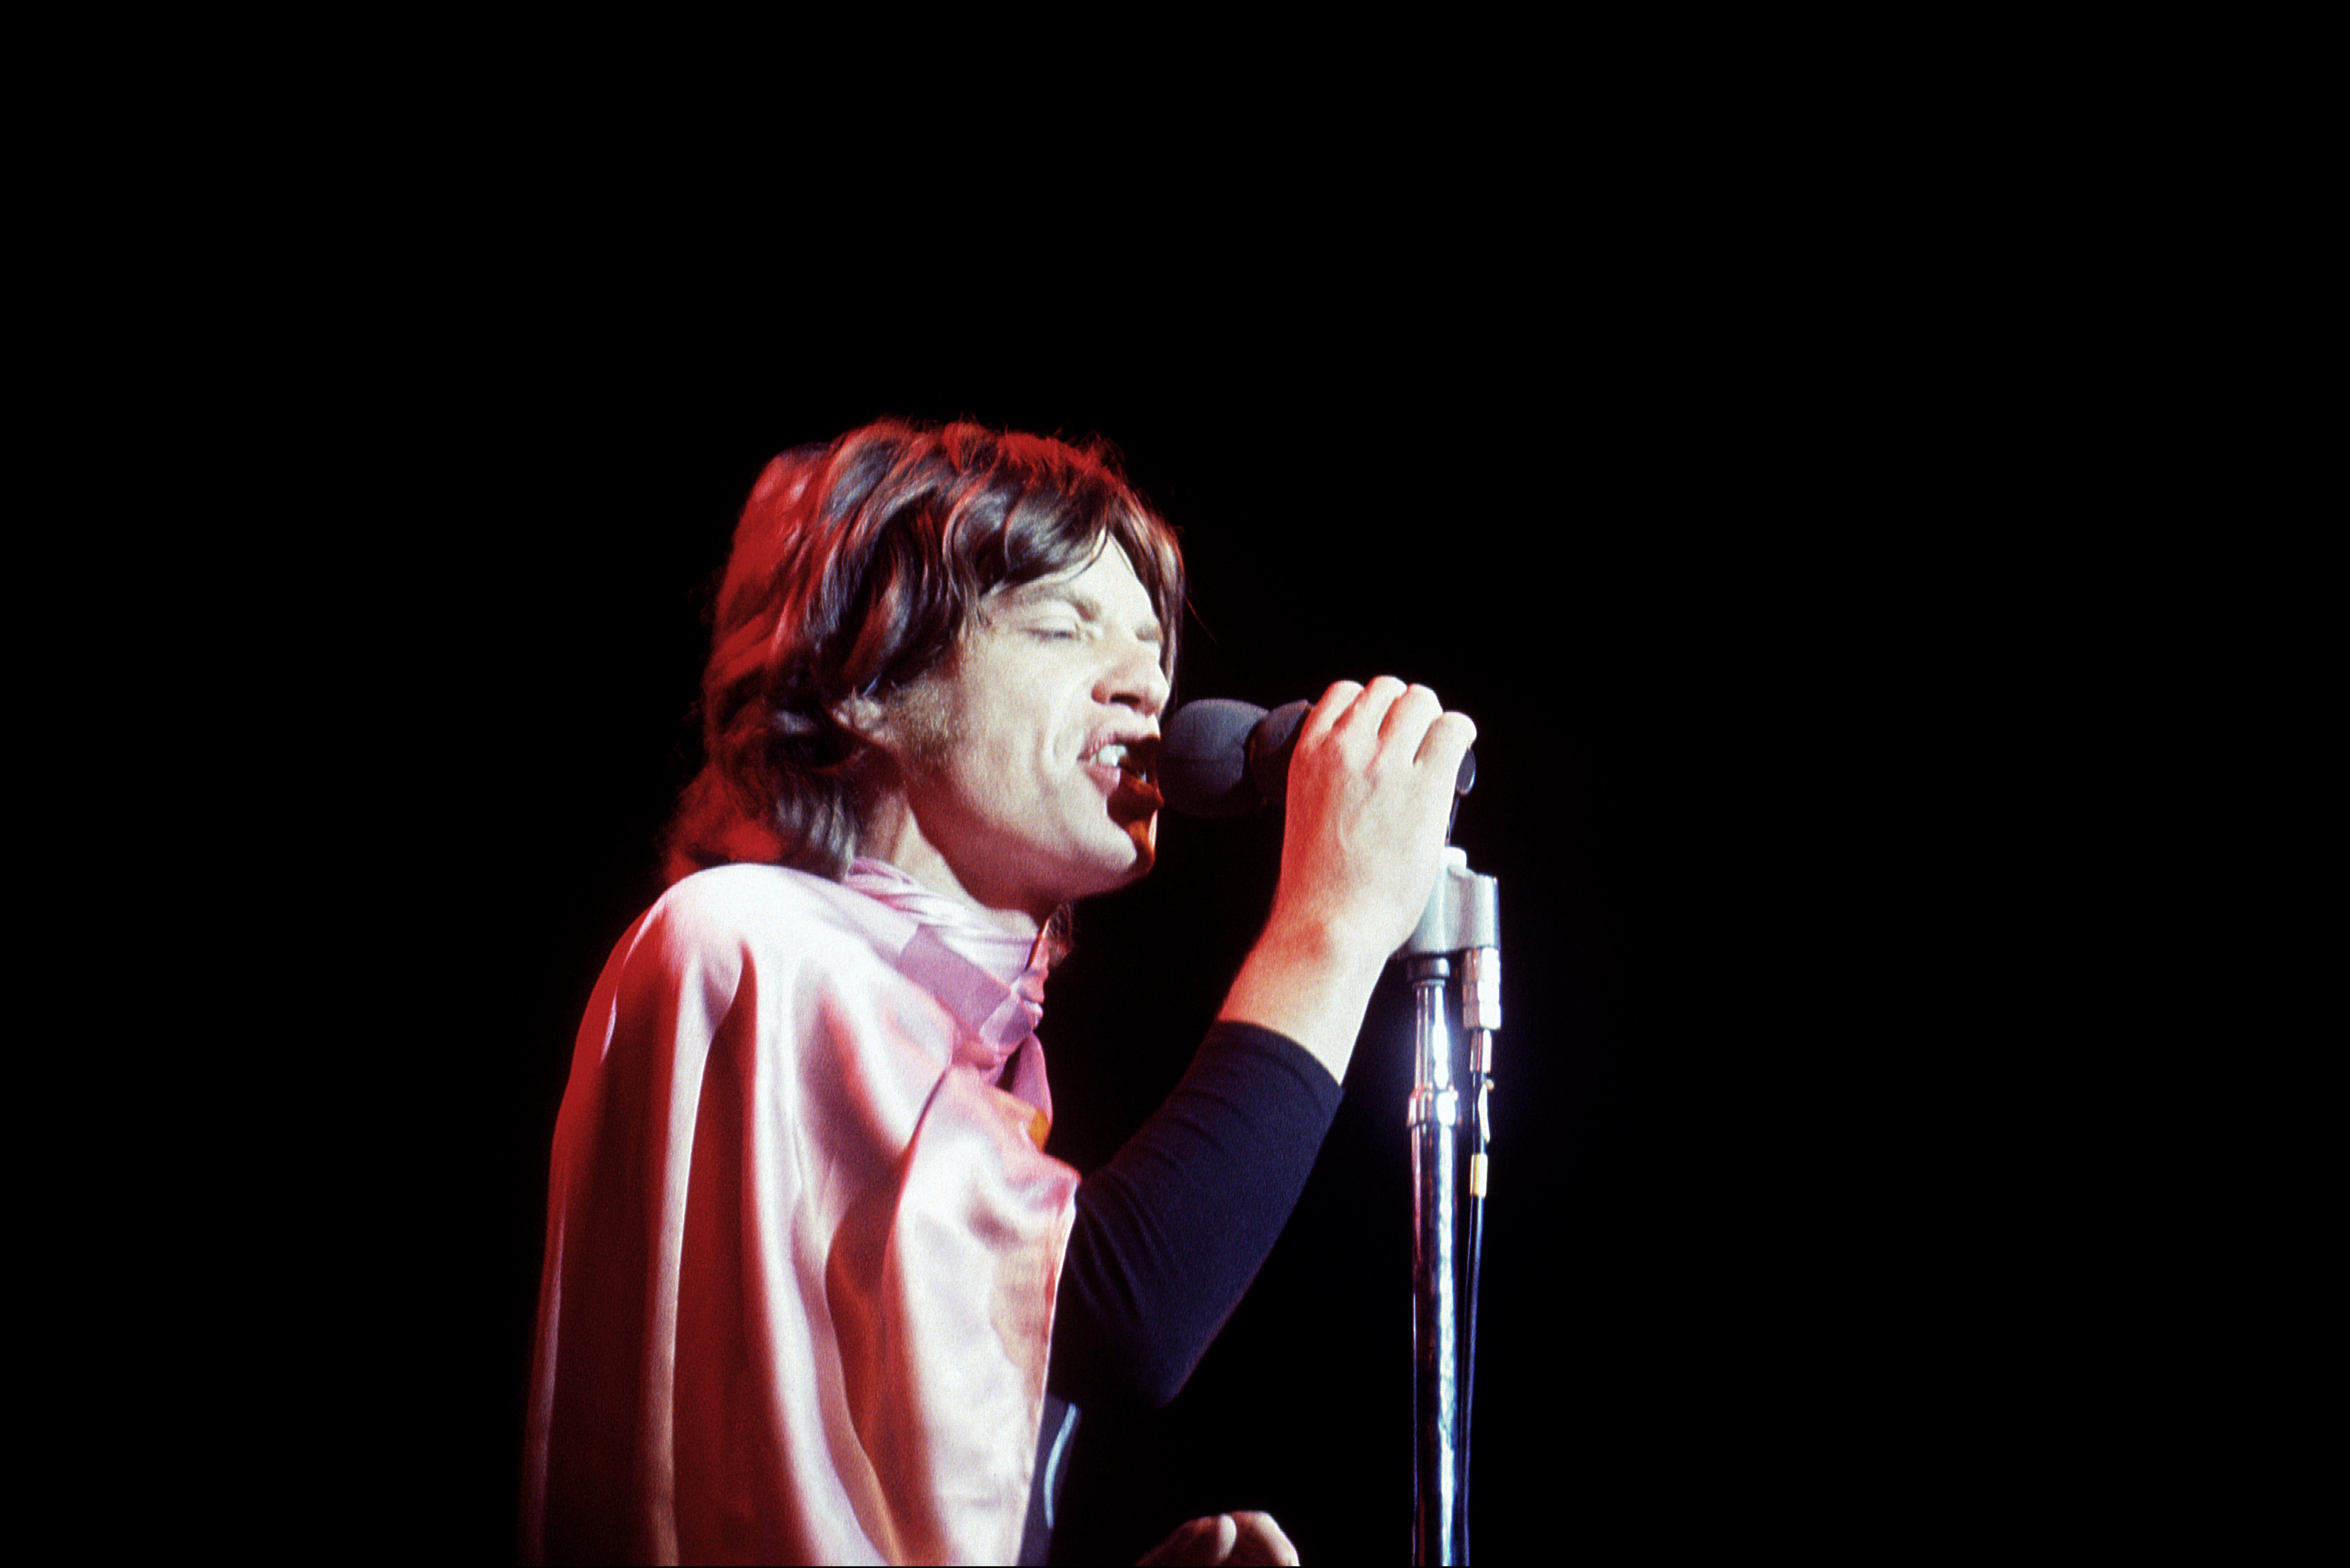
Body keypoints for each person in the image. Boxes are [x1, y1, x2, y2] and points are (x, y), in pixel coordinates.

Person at [522, 418, 1475, 1565]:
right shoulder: (756, 944)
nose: (1148, 685)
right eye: (1064, 626)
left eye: (1150, 643)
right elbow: (1127, 1320)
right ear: (865, 683)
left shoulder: (952, 1041)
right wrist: (1338, 914)